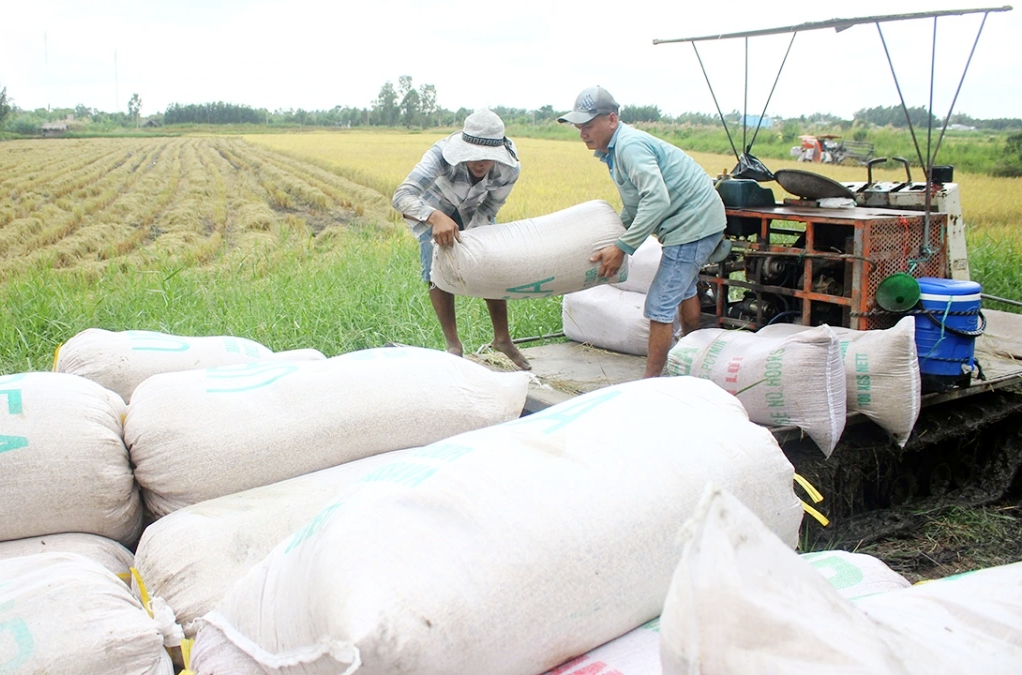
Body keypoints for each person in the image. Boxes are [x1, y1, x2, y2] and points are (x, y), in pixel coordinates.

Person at [559, 86, 726, 378]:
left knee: (659, 304)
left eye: (588, 126)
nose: (583, 133)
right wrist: (610, 239)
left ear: (612, 119)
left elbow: (657, 199)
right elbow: (635, 204)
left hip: (692, 224)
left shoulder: (629, 147)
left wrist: (623, 248)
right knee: (684, 290)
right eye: (579, 127)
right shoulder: (614, 150)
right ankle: (688, 360)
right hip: (689, 222)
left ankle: (649, 382)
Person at [393, 109, 531, 370]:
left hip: (474, 210)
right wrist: (435, 218)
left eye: (488, 158)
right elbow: (402, 196)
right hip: (432, 208)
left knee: (493, 263)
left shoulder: (508, 168)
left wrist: (473, 237)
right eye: (474, 156)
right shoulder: (440, 155)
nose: (481, 163)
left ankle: (503, 339)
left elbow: (490, 207)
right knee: (437, 272)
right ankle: (453, 346)